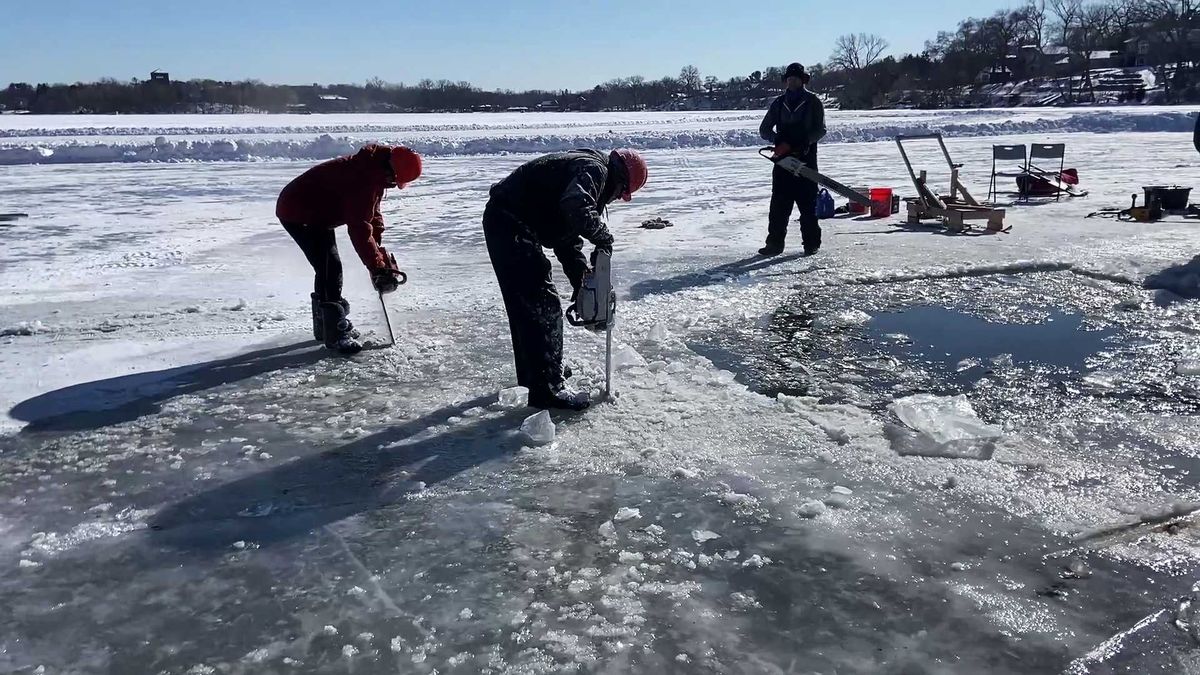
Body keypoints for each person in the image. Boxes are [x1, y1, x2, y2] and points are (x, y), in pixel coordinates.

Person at [483, 148, 648, 410]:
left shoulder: (586, 170)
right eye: (619, 195)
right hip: (509, 222)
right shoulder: (595, 170)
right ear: (619, 182)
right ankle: (548, 389)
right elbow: (575, 205)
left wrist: (581, 278)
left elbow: (565, 237)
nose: (615, 199)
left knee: (527, 304)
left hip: (506, 220)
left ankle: (538, 373)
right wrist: (603, 237)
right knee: (542, 302)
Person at [276, 144, 422, 354]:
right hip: (299, 212)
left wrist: (379, 253)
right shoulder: (363, 178)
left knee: (326, 265)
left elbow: (372, 215)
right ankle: (335, 333)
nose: (392, 185)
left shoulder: (373, 170)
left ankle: (326, 326)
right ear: (390, 170)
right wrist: (377, 267)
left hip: (316, 213)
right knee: (330, 266)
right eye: (394, 181)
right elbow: (359, 228)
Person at [758, 63, 827, 257]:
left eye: (796, 78)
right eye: (789, 78)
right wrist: (777, 140)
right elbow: (764, 129)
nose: (792, 81)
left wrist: (805, 141)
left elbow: (821, 130)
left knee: (808, 207)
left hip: (806, 161)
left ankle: (811, 244)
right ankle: (774, 244)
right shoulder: (779, 103)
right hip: (782, 162)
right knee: (779, 207)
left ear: (803, 80)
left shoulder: (813, 102)